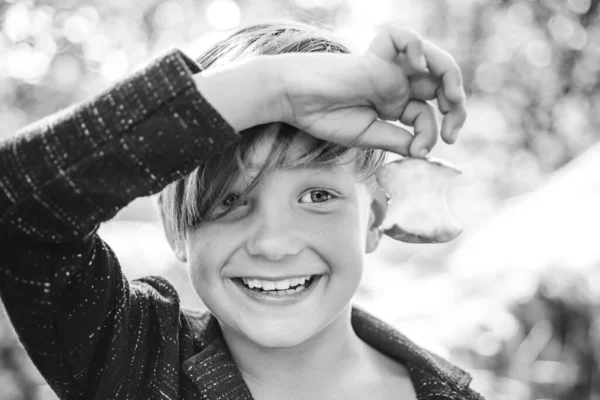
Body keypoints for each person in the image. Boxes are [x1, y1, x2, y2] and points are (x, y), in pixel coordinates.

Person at [0, 19, 483, 400]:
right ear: (176, 229)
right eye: (229, 200)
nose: (273, 243)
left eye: (317, 196)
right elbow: (18, 204)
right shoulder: (135, 360)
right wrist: (274, 92)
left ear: (376, 218)